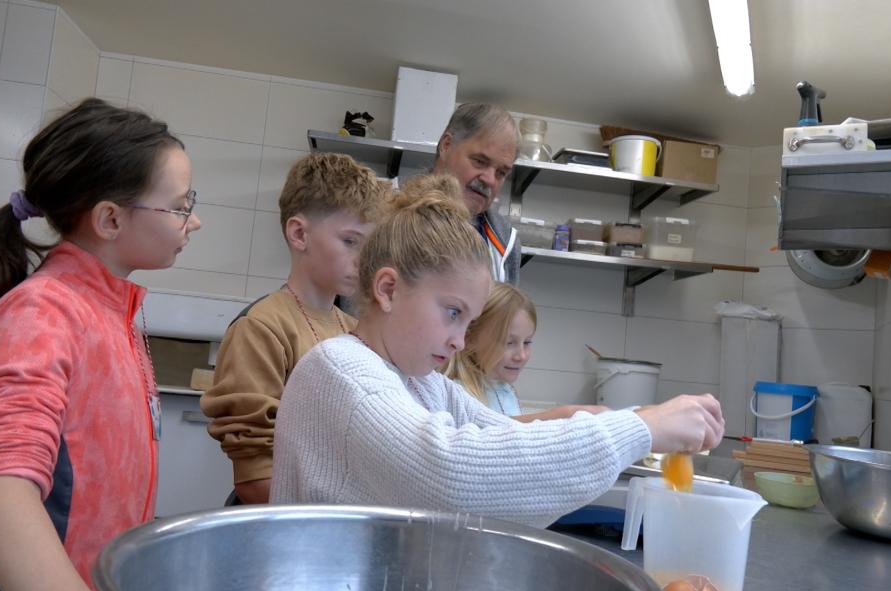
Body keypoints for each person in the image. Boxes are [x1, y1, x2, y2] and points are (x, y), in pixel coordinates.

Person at [270, 185, 724, 528]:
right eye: (452, 312)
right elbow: (453, 473)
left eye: (467, 323)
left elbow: (502, 439)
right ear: (388, 289)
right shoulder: (344, 373)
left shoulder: (419, 381)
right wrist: (643, 428)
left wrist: (627, 418)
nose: (459, 341)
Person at [0, 98, 201, 591]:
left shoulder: (112, 313)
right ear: (110, 220)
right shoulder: (44, 311)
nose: (192, 222)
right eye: (180, 207)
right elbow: (1, 492)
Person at [201, 153, 384, 504]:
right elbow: (255, 481)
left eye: (368, 245)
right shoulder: (262, 328)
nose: (363, 260)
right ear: (299, 234)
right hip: (280, 529)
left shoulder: (354, 330)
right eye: (350, 241)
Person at [444, 282, 605, 422]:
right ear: (470, 338)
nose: (521, 356)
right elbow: (489, 435)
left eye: (527, 342)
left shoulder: (505, 390)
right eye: (509, 343)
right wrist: (561, 415)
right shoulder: (457, 395)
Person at [433, 103, 521, 285]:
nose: (490, 180)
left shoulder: (506, 242)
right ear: (446, 145)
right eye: (480, 161)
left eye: (501, 173)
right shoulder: (383, 213)